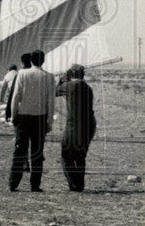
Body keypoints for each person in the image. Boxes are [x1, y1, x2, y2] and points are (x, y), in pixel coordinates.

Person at [8, 49, 55, 192]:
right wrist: (49, 122)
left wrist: (13, 115)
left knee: (19, 151)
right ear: (43, 61)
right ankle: (35, 185)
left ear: (31, 60)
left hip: (23, 117)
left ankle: (13, 183)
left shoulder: (22, 74)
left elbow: (16, 96)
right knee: (37, 153)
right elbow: (50, 102)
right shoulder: (49, 77)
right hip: (40, 118)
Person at [56, 64, 96, 192]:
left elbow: (54, 91)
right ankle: (80, 184)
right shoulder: (88, 88)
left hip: (73, 125)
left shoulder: (68, 86)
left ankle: (73, 184)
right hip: (88, 125)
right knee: (80, 155)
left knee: (66, 155)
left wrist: (62, 79)